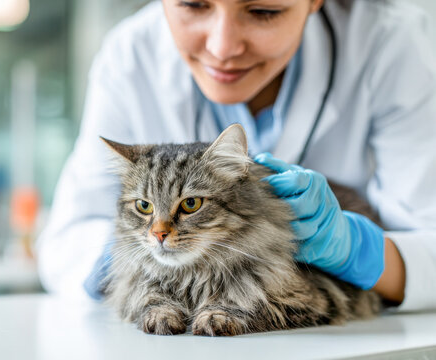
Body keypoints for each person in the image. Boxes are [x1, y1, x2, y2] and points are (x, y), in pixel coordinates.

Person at [36, 0, 436, 311]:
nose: (223, 47)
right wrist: (153, 263)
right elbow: (68, 242)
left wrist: (358, 250)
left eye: (264, 11)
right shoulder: (131, 55)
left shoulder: (393, 43)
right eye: (193, 5)